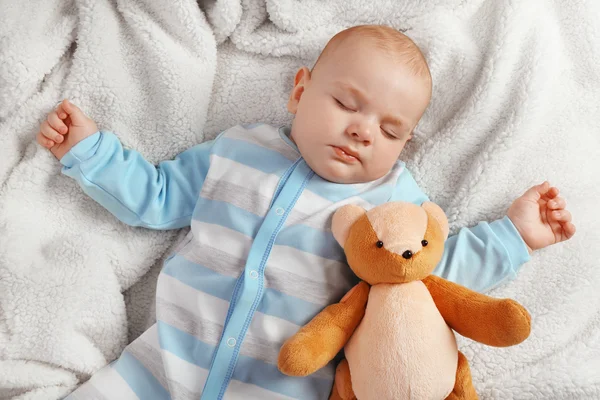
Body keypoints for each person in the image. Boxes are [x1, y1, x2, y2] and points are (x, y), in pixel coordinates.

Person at [38, 25, 574, 400]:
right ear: (300, 90)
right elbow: (155, 198)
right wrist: (91, 153)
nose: (364, 130)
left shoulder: (391, 203)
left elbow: (430, 274)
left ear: (404, 144)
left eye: (390, 131)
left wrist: (516, 234)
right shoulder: (237, 151)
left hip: (280, 386)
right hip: (160, 367)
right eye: (346, 103)